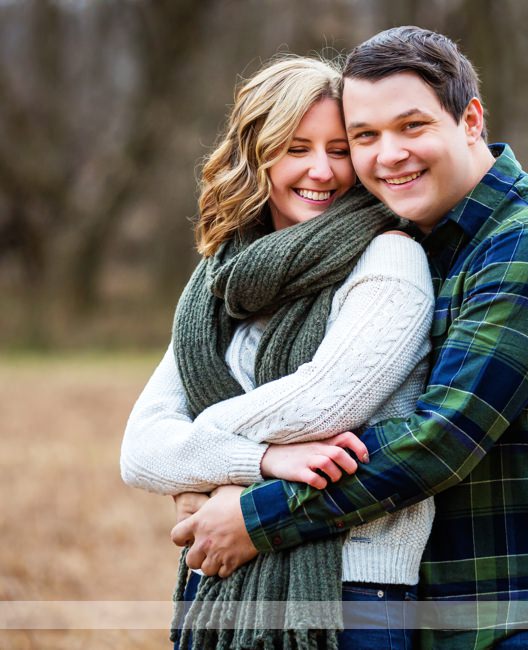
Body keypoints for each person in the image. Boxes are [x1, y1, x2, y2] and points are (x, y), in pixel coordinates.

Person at [173, 26, 528, 648]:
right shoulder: (404, 241)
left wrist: (253, 513)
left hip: (526, 613)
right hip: (426, 608)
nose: (388, 154)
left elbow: (439, 438)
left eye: (412, 126)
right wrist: (209, 474)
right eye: (366, 136)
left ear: (470, 120)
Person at [120, 54, 435, 650]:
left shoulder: (391, 261)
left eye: (340, 149)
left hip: (353, 597)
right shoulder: (218, 287)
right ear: (256, 156)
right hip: (219, 581)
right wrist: (262, 462)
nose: (322, 170)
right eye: (296, 147)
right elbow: (139, 451)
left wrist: (207, 461)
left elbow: (322, 404)